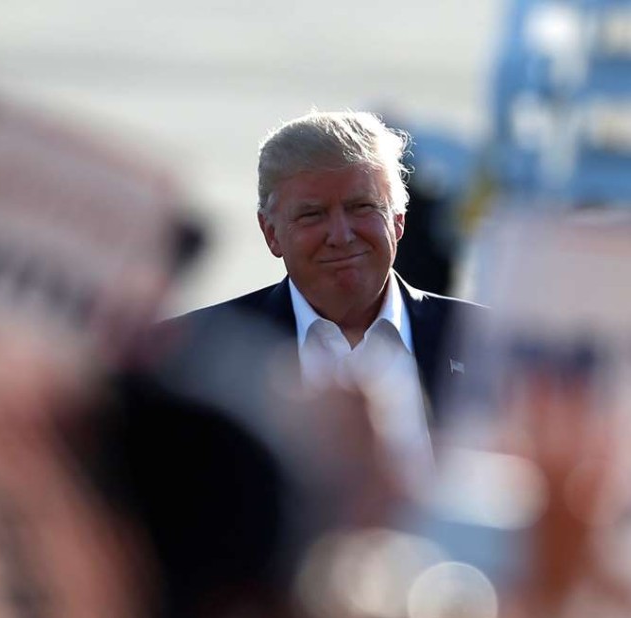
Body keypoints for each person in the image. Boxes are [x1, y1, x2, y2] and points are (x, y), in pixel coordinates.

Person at [180, 111, 484, 484]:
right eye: (312, 215)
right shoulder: (200, 355)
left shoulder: (486, 341)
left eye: (362, 207)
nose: (341, 234)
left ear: (399, 219)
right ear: (271, 232)